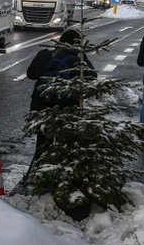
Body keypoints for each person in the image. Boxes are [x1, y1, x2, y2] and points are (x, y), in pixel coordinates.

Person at [26, 29, 96, 161]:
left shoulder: (45, 55)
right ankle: (57, 175)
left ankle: (39, 172)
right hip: (66, 111)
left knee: (43, 145)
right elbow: (92, 77)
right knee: (64, 147)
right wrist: (83, 57)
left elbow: (30, 74)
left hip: (41, 108)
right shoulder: (78, 61)